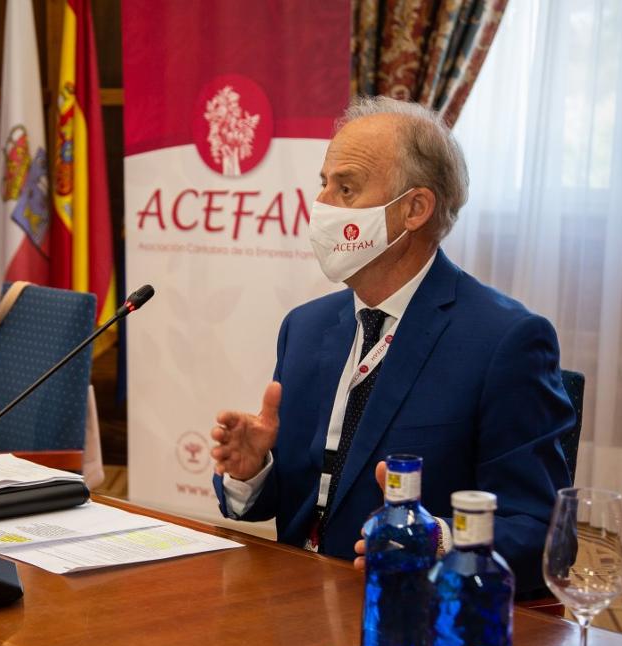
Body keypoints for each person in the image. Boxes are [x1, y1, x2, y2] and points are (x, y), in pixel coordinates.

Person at [210, 97, 574, 596]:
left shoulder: (503, 341)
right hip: (291, 605)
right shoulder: (306, 327)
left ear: (414, 209)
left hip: (411, 613)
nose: (322, 206)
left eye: (347, 188)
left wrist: (438, 539)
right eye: (324, 184)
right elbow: (314, 501)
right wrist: (253, 474)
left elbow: (543, 532)